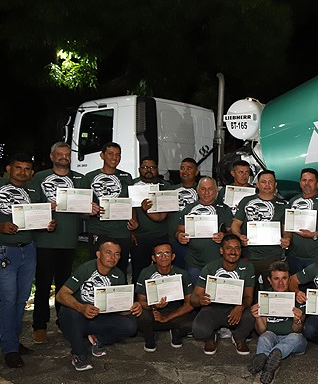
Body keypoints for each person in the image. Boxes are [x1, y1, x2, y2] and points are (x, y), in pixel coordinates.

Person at [1, 153, 55, 368]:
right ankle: (10, 348)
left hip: (28, 249)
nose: (22, 172)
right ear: (8, 168)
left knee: (21, 299)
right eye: (18, 168)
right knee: (7, 299)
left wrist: (47, 224)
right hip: (5, 250)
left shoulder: (33, 190)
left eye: (26, 169)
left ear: (31, 173)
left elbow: (39, 217)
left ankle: (10, 339)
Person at [55, 239, 141, 371]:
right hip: (77, 318)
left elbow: (119, 308)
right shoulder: (86, 269)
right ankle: (79, 354)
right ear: (98, 254)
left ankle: (98, 339)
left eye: (117, 254)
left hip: (99, 318)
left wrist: (132, 307)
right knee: (70, 312)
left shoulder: (119, 275)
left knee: (131, 325)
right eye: (108, 253)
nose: (113, 257)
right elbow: (61, 295)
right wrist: (81, 308)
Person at [30, 142, 83, 344]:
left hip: (68, 240)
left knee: (64, 285)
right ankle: (40, 325)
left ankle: (64, 321)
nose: (64, 157)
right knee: (43, 284)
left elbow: (85, 206)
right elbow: (31, 204)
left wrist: (91, 208)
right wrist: (46, 206)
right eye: (60, 154)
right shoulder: (39, 177)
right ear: (52, 157)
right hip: (45, 239)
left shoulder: (78, 178)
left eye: (67, 154)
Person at [190, 234, 255, 355]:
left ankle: (239, 337)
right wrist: (200, 300)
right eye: (229, 248)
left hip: (236, 309)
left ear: (241, 251)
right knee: (199, 330)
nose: (233, 252)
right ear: (221, 250)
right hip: (213, 309)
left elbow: (249, 297)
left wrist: (240, 307)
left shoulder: (247, 267)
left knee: (252, 314)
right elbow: (193, 298)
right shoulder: (210, 268)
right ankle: (210, 337)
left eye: (237, 248)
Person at [80, 142, 136, 275]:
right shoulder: (89, 177)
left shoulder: (127, 177)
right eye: (110, 154)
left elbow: (132, 203)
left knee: (120, 270)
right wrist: (88, 210)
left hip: (122, 232)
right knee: (97, 270)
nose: (114, 158)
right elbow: (80, 208)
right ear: (102, 155)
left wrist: (134, 220)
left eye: (118, 155)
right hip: (99, 231)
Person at [248, 261, 306, 384]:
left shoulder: (298, 298)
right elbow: (261, 331)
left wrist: (297, 320)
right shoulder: (264, 297)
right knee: (264, 337)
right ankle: (268, 367)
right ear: (269, 280)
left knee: (296, 337)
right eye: (276, 279)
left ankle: (271, 356)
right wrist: (258, 317)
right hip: (271, 335)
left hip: (292, 338)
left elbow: (297, 330)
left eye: (284, 278)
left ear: (289, 279)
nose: (280, 283)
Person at [231, 170, 290, 287]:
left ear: (275, 184)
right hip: (249, 256)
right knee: (247, 292)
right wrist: (239, 236)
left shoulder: (283, 205)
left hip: (274, 257)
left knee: (271, 292)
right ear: (257, 184)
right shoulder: (246, 201)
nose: (267, 185)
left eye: (270, 182)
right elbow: (235, 225)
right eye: (263, 182)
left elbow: (287, 230)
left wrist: (287, 239)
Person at [135, 242, 195, 351]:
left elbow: (189, 304)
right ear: (153, 258)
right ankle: (149, 337)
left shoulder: (181, 273)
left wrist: (167, 318)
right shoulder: (146, 272)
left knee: (194, 323)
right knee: (141, 315)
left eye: (167, 253)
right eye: (159, 254)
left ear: (173, 257)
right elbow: (141, 301)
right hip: (153, 311)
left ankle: (176, 332)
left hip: (175, 312)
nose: (163, 257)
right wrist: (153, 306)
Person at [176, 176, 233, 284]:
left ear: (216, 191)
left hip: (218, 263)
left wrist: (224, 235)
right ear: (197, 190)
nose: (206, 192)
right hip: (194, 262)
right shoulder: (188, 208)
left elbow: (231, 233)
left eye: (210, 189)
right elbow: (179, 231)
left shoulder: (224, 209)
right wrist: (180, 236)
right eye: (203, 189)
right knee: (195, 296)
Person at [286, 168, 318, 275]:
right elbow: (287, 225)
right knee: (295, 288)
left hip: (316, 256)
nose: (307, 183)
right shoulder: (292, 201)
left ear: (317, 183)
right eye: (304, 180)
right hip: (294, 255)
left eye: (311, 180)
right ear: (300, 183)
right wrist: (287, 238)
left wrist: (314, 234)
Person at [130, 156, 170, 286]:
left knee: (163, 271)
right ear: (139, 169)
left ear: (157, 170)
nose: (149, 170)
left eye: (152, 167)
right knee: (139, 272)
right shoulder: (132, 186)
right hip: (140, 237)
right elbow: (127, 209)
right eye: (145, 167)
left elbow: (162, 216)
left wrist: (147, 210)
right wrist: (131, 231)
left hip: (161, 237)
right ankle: (138, 300)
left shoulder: (165, 186)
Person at [167, 158, 199, 265]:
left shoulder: (204, 191)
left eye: (189, 168)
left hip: (196, 241)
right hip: (174, 240)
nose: (185, 171)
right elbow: (161, 216)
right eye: (182, 168)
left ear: (197, 172)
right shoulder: (171, 191)